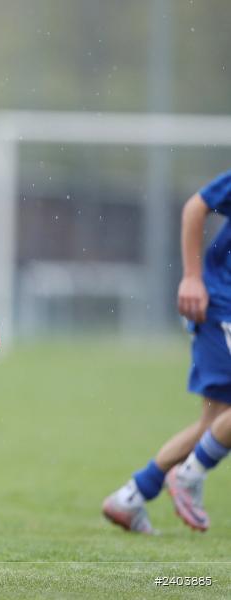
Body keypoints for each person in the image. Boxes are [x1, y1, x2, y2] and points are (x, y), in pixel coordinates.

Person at [103, 173, 231, 534]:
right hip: (223, 306)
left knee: (214, 425)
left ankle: (131, 496)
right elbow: (196, 206)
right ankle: (189, 474)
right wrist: (191, 277)